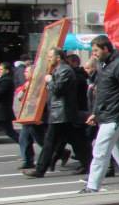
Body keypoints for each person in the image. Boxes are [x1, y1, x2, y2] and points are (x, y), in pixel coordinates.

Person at [81, 36, 119, 194]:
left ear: (106, 49)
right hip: (110, 114)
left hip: (114, 115)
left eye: (96, 50)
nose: (94, 54)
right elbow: (103, 93)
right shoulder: (106, 64)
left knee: (100, 150)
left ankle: (93, 185)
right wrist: (95, 113)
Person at [23, 49, 91, 179]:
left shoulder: (65, 70)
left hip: (62, 113)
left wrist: (49, 80)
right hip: (60, 113)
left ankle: (40, 169)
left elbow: (58, 89)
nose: (49, 59)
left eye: (50, 56)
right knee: (77, 141)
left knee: (51, 142)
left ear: (58, 57)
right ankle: (90, 164)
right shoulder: (59, 70)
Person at [13, 65, 43, 169]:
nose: (24, 73)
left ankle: (60, 153)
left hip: (35, 115)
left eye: (27, 72)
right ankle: (28, 160)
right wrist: (25, 89)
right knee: (24, 138)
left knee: (40, 139)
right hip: (27, 115)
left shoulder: (39, 84)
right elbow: (19, 97)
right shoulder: (26, 84)